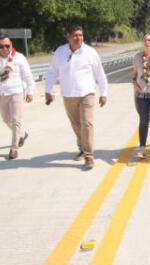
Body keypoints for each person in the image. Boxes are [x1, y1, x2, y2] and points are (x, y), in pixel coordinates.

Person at [45, 25, 108, 170]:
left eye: (81, 35)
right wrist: (48, 89)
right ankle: (82, 147)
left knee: (87, 123)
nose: (78, 38)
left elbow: (100, 74)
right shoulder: (60, 52)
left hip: (87, 94)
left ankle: (89, 156)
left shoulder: (90, 52)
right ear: (68, 37)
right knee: (76, 125)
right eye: (75, 35)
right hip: (68, 95)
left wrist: (103, 93)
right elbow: (52, 72)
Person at [0, 34, 35, 160]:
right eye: (1, 46)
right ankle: (23, 134)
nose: (5, 48)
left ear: (11, 45)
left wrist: (30, 91)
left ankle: (14, 148)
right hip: (1, 93)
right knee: (6, 119)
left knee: (16, 120)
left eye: (7, 46)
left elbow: (27, 76)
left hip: (16, 92)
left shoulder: (19, 58)